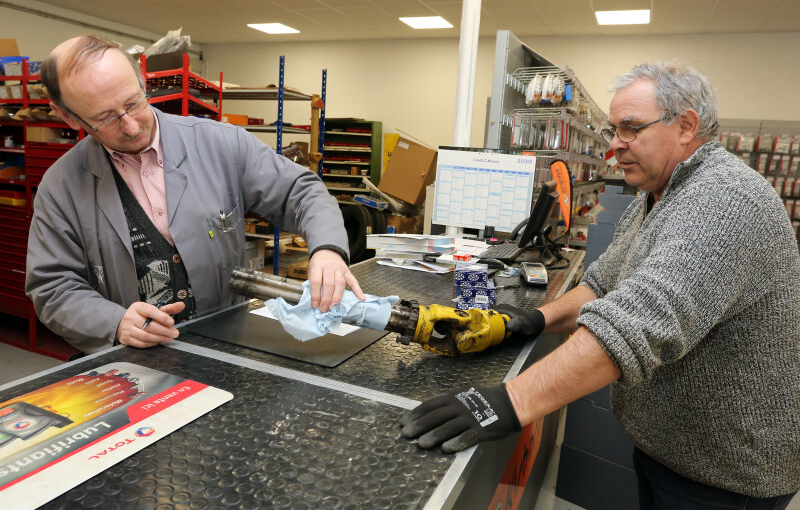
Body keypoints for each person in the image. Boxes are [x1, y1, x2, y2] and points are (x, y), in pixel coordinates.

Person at [401, 62, 800, 508]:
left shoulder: (725, 199)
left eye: (630, 128)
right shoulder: (655, 196)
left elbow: (633, 324)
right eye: (613, 130)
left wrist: (508, 402)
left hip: (726, 474)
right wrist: (533, 320)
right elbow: (602, 284)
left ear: (686, 125)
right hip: (672, 449)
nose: (614, 145)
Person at [26, 35, 364, 355]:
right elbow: (52, 287)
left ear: (142, 81)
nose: (131, 126)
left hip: (229, 345)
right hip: (135, 362)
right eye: (106, 119)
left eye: (133, 103)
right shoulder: (61, 186)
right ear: (67, 116)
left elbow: (301, 192)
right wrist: (113, 322)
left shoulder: (222, 144)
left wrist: (328, 249)